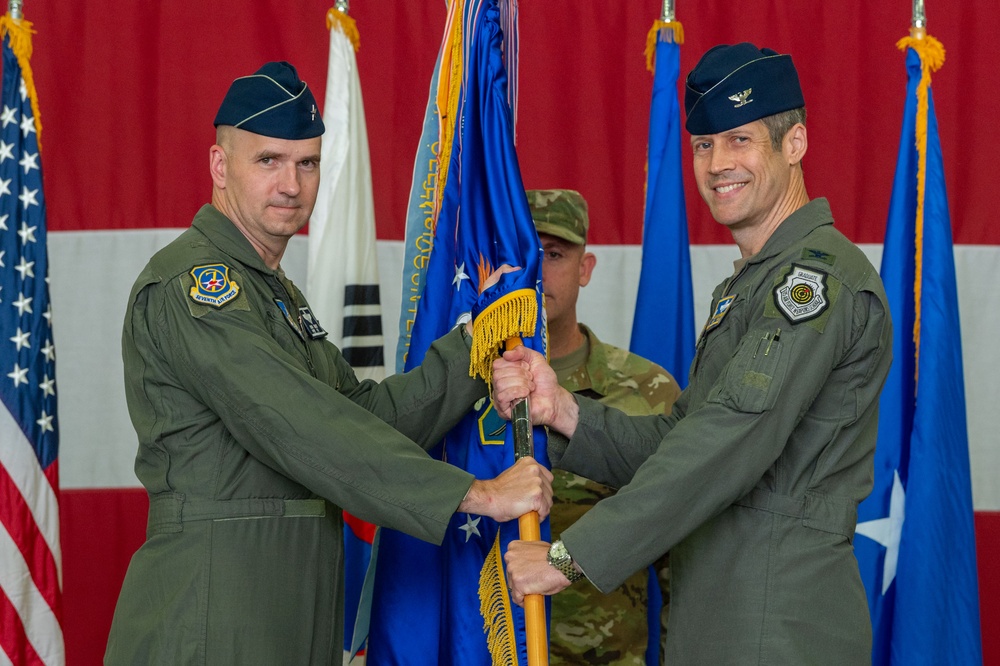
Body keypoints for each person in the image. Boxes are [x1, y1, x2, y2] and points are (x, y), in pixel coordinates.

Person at [104, 61, 552, 665]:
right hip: (213, 610)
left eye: (307, 162)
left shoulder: (270, 289)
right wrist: (477, 494)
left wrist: (474, 345)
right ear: (219, 165)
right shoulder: (196, 285)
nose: (290, 183)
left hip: (287, 605)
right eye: (268, 161)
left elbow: (365, 417)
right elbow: (299, 423)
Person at [495, 43, 892, 664]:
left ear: (795, 145)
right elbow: (683, 440)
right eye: (704, 144)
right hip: (724, 618)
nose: (716, 163)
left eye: (739, 140)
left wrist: (569, 558)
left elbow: (725, 444)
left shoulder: (814, 283)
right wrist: (566, 411)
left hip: (774, 624)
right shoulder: (754, 283)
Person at [526, 188, 680, 664]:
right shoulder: (459, 387)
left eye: (555, 254)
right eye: (522, 251)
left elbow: (683, 565)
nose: (537, 269)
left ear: (585, 268)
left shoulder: (647, 390)